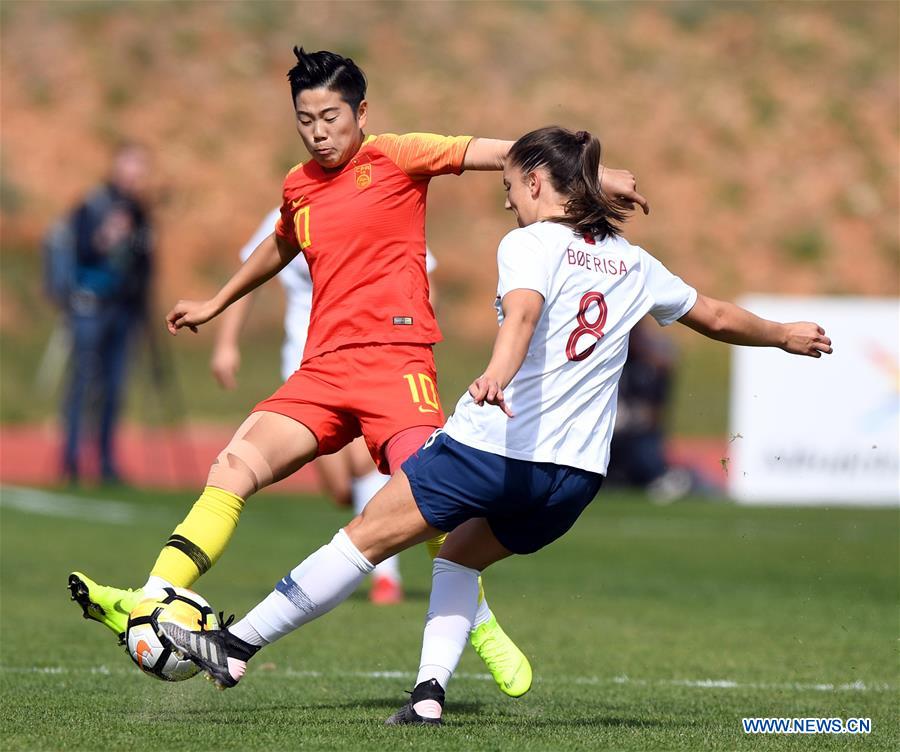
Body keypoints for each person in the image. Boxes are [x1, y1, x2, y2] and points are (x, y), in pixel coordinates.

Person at [159, 126, 832, 726]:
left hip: (493, 450)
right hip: (573, 480)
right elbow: (712, 314)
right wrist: (783, 335)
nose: (509, 200)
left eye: (512, 187)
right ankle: (427, 695)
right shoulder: (633, 262)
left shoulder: (529, 243)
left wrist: (499, 374)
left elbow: (524, 315)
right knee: (456, 558)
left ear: (537, 182)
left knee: (362, 539)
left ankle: (233, 646)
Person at [67, 49, 646, 698]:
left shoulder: (399, 156)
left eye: (331, 117)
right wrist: (216, 301)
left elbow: (500, 151)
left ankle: (479, 631)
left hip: (397, 372)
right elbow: (281, 243)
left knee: (427, 504)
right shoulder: (298, 184)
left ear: (361, 112)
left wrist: (588, 177)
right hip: (321, 373)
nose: (319, 132)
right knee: (231, 468)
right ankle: (152, 596)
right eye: (305, 119)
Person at [209, 208, 440, 604]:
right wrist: (226, 343)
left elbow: (422, 272)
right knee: (338, 488)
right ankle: (389, 521)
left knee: (364, 463)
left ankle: (386, 576)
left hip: (365, 359)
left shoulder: (377, 203)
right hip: (305, 364)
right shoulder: (293, 211)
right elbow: (252, 273)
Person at [47, 143, 154, 484]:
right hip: (91, 306)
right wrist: (107, 236)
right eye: (130, 165)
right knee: (83, 381)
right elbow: (78, 249)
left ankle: (107, 461)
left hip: (125, 308)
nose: (135, 174)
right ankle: (72, 459)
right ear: (118, 166)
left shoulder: (139, 210)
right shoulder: (93, 205)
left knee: (115, 385)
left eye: (140, 167)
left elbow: (144, 259)